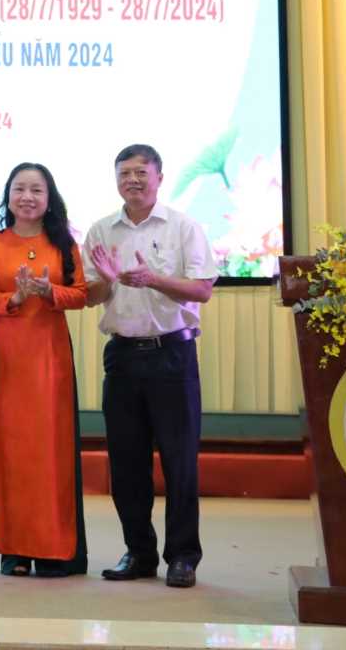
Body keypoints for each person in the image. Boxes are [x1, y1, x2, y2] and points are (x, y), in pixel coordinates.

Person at [84, 144, 217, 590]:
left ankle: (183, 556)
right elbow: (91, 296)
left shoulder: (183, 227)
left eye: (142, 172)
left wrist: (152, 278)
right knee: (126, 464)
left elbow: (201, 290)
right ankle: (138, 552)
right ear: (115, 179)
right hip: (122, 356)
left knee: (180, 462)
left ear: (159, 177)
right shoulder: (101, 231)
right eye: (125, 173)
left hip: (172, 354)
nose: (133, 180)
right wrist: (105, 279)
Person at [0, 162, 88, 578]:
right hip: (9, 354)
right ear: (8, 196)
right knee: (11, 449)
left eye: (36, 190)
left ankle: (54, 548)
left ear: (49, 197)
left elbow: (81, 293)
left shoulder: (62, 243)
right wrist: (15, 298)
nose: (27, 197)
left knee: (50, 450)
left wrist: (48, 291)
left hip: (49, 353)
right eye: (19, 189)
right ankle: (15, 550)